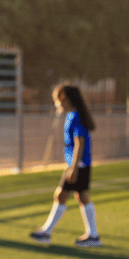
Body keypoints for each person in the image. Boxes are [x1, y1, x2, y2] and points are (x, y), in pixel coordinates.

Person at [30, 84, 100, 247]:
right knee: (81, 197)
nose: (57, 104)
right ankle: (93, 235)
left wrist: (73, 168)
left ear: (67, 100)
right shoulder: (72, 116)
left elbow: (79, 143)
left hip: (79, 165)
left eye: (58, 100)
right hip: (78, 164)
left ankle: (47, 232)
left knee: (61, 195)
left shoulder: (75, 117)